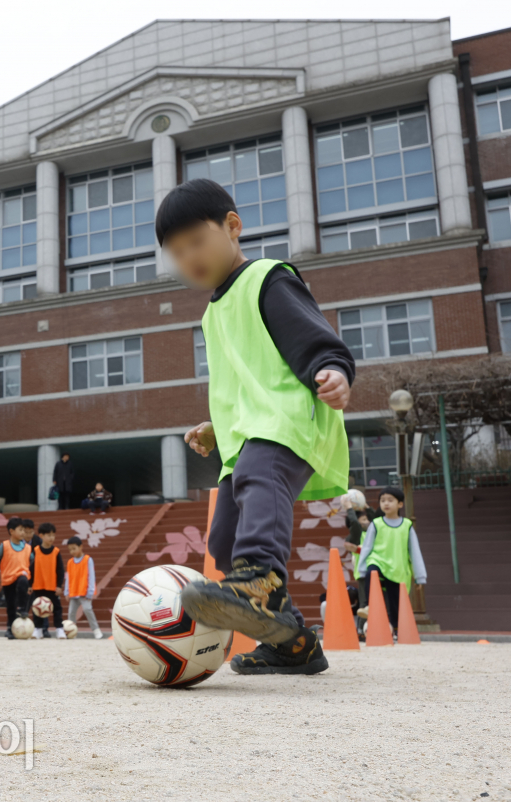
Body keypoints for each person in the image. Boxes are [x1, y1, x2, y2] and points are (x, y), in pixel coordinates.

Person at [161, 178, 355, 676]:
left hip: (287, 419)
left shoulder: (268, 277)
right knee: (224, 541)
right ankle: (292, 642)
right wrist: (216, 428)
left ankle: (258, 583)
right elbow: (245, 377)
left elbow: (312, 336)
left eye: (197, 242)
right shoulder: (212, 312)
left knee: (258, 485)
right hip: (247, 434)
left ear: (232, 226)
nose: (189, 259)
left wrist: (333, 368)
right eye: (177, 253)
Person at [356, 486, 427, 635]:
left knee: (396, 603)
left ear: (400, 504)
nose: (386, 503)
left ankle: (395, 630)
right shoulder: (376, 524)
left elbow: (415, 551)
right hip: (378, 560)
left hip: (398, 569)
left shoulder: (407, 525)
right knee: (371, 572)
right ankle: (370, 606)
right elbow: (367, 547)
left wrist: (420, 576)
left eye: (390, 500)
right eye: (382, 501)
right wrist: (361, 568)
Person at [29, 523, 66, 639]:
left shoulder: (56, 551)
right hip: (38, 586)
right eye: (48, 535)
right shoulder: (35, 551)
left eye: (53, 535)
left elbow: (60, 570)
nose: (51, 538)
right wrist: (30, 584)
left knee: (57, 608)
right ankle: (38, 630)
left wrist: (59, 585)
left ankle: (59, 629)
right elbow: (31, 569)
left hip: (52, 586)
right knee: (37, 608)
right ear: (41, 535)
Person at [63, 536, 103, 638]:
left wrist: (90, 591)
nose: (72, 551)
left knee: (87, 610)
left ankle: (96, 630)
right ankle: (71, 631)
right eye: (70, 549)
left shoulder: (88, 559)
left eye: (74, 548)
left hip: (84, 592)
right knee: (71, 613)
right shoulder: (70, 562)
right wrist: (66, 592)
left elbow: (91, 576)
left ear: (81, 547)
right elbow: (68, 578)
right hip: (74, 592)